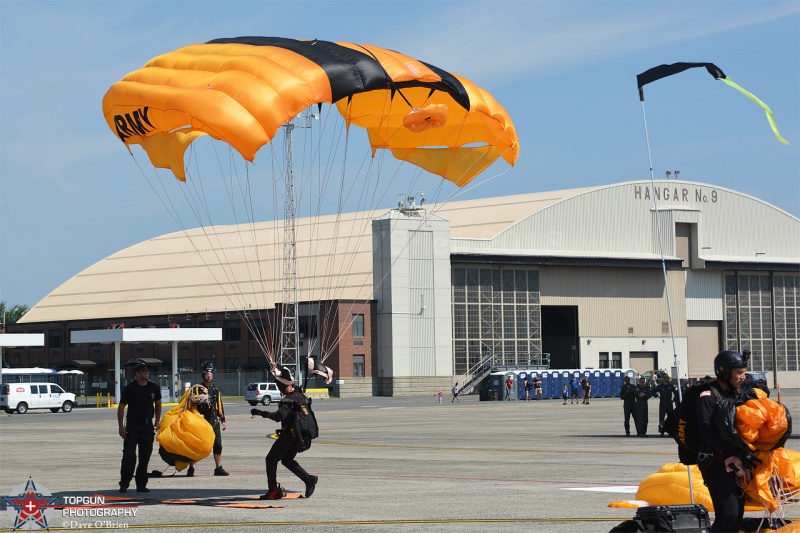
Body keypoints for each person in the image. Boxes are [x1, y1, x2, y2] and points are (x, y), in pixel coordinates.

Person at [694, 350, 753, 532]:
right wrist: (733, 452)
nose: (743, 377)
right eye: (739, 373)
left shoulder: (740, 394)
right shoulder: (708, 396)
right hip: (716, 462)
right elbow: (707, 431)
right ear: (724, 372)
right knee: (728, 514)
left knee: (737, 517)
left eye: (743, 372)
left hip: (739, 462)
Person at [250, 365, 318, 500]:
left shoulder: (288, 400)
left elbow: (278, 416)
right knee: (286, 460)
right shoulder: (300, 396)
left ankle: (273, 491)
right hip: (300, 437)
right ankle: (309, 479)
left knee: (270, 460)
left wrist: (260, 412)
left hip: (289, 437)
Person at [117, 361, 162, 493]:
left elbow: (158, 404)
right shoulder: (130, 388)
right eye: (143, 371)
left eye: (147, 371)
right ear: (137, 374)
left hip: (147, 427)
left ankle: (141, 484)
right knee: (129, 457)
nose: (146, 373)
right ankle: (124, 483)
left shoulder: (153, 388)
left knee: (145, 457)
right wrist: (121, 426)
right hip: (132, 427)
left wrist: (157, 421)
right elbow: (121, 407)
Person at [188, 362, 228, 477]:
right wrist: (203, 395)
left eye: (210, 374)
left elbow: (219, 405)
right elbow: (193, 402)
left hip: (214, 420)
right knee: (197, 444)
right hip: (201, 421)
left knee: (218, 444)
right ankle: (191, 467)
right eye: (207, 374)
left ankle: (218, 467)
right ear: (203, 375)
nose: (209, 376)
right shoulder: (197, 389)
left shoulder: (215, 390)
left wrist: (223, 420)